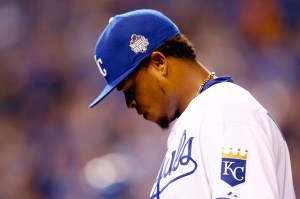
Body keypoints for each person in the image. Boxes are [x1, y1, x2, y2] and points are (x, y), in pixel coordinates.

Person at [89, 9, 296, 199]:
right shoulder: (191, 125)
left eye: (130, 89)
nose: (129, 103)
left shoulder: (225, 109)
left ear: (159, 63)